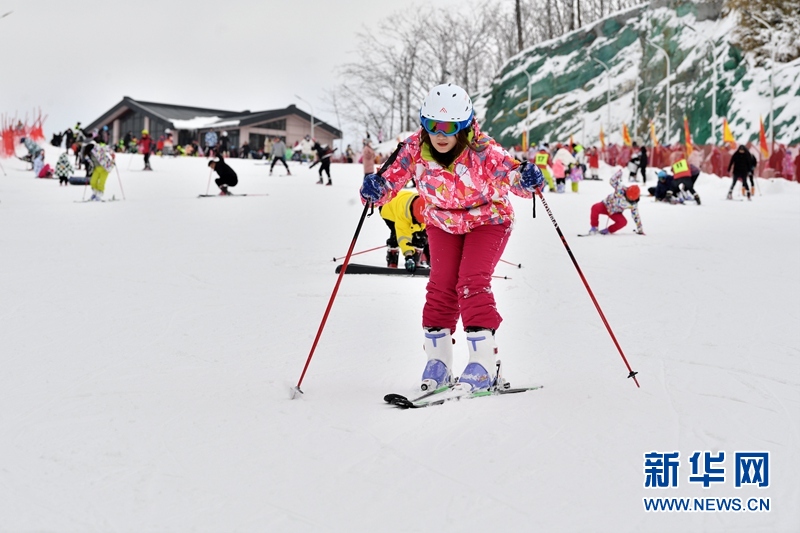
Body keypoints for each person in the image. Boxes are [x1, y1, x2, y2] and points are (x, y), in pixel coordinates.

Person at [359, 83, 543, 392]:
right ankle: (439, 363)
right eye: (433, 125)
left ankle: (483, 364)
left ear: (465, 125)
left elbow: (517, 180)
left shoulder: (484, 150)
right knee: (441, 285)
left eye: (449, 127)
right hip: (442, 221)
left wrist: (529, 178)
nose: (440, 134)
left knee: (471, 281)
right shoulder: (414, 148)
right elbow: (387, 182)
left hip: (488, 219)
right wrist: (374, 189)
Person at [379, 190, 429, 269]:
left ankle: (416, 259)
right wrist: (408, 256)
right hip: (388, 209)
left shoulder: (426, 208)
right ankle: (392, 259)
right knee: (396, 235)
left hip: (404, 200)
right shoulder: (402, 215)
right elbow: (403, 236)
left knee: (421, 236)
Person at [587, 170, 644, 235]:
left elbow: (636, 216)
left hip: (615, 212)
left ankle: (608, 230)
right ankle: (594, 227)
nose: (628, 198)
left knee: (623, 222)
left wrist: (640, 229)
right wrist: (618, 174)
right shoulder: (621, 188)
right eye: (627, 196)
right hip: (606, 205)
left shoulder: (634, 205)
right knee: (595, 207)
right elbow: (612, 181)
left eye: (630, 199)